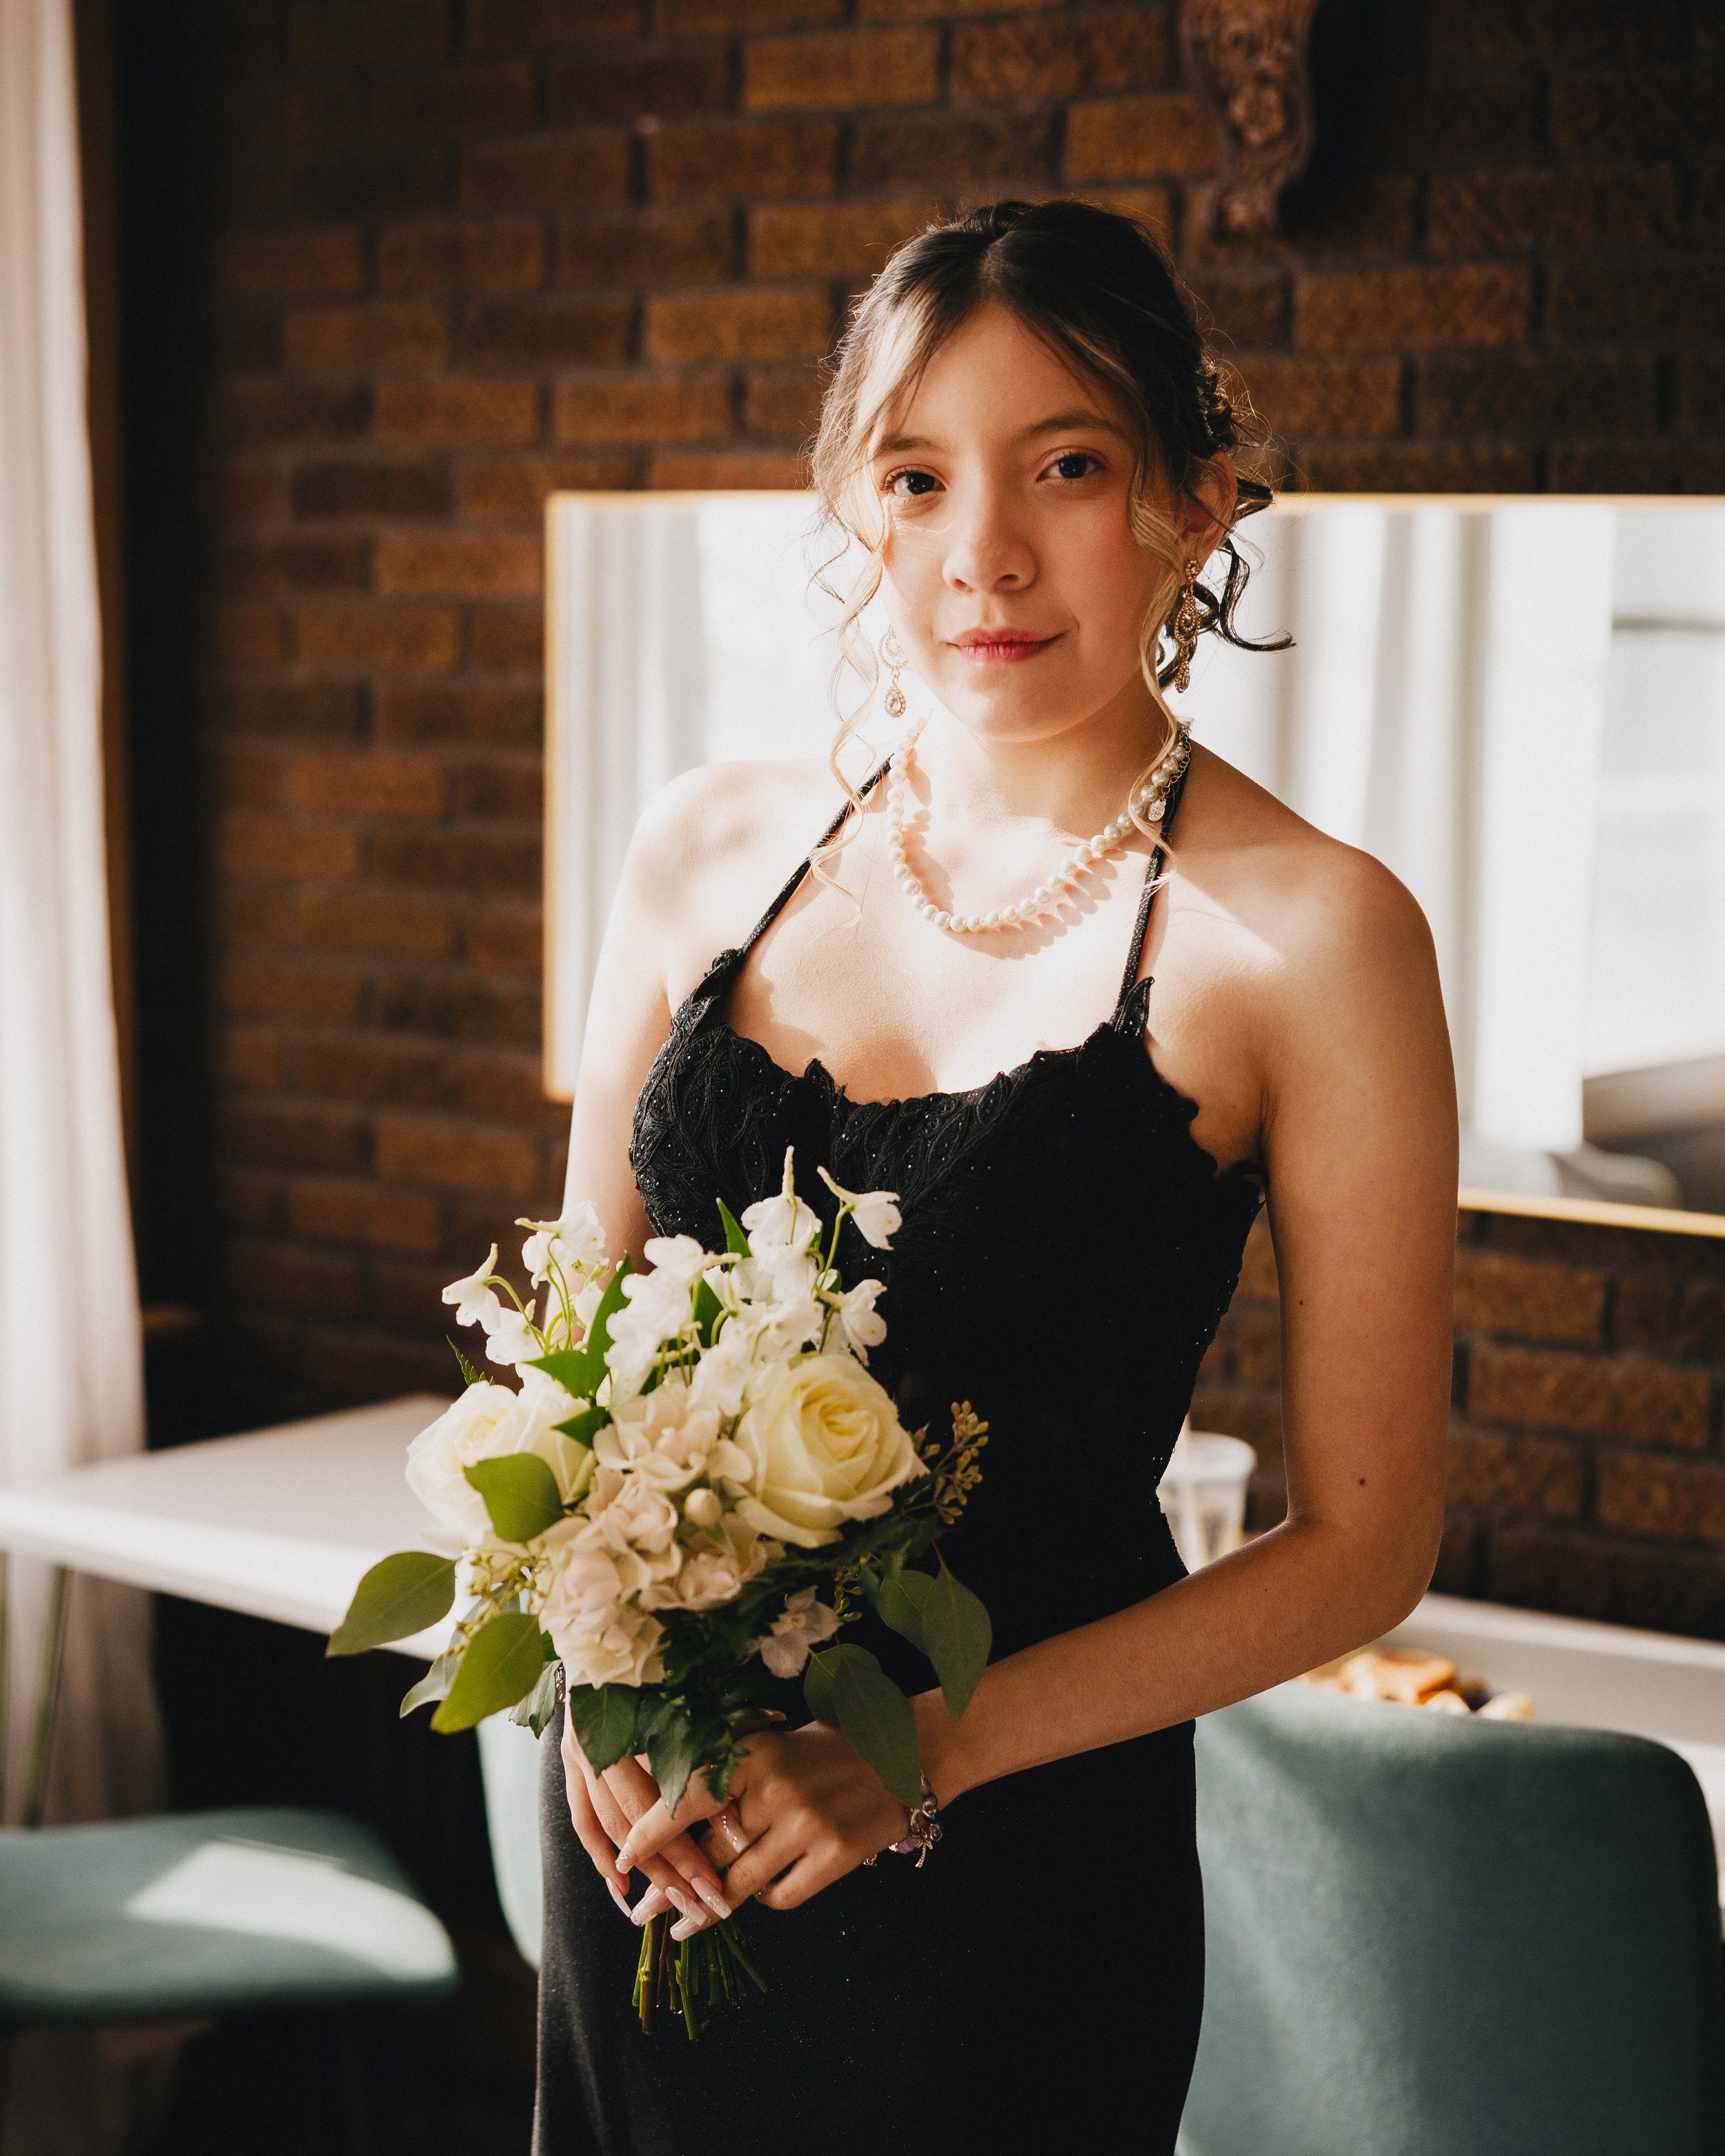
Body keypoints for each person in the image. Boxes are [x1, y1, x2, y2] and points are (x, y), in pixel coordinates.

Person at [534, 198, 1455, 2155]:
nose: (985, 556)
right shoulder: (707, 850)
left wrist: (916, 1758)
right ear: (853, 509)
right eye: (916, 473)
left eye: (1066, 466)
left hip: (1010, 1883)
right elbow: (567, 1357)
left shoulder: (1308, 938)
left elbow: (1361, 1548)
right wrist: (591, 1696)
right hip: (658, 1839)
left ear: (1195, 505)